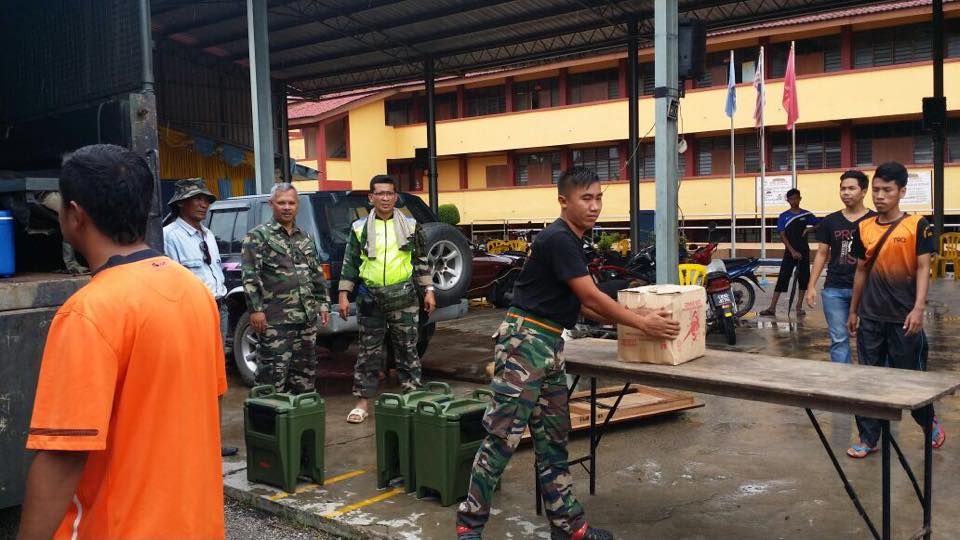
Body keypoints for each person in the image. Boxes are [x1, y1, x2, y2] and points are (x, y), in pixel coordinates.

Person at [456, 167, 680, 540]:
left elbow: (585, 305)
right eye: (585, 198)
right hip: (524, 344)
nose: (594, 206)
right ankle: (469, 525)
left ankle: (568, 526)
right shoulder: (558, 238)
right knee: (502, 437)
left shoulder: (573, 241)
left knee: (553, 438)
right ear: (564, 201)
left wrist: (637, 318)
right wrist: (643, 325)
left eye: (598, 198)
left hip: (549, 345)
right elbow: (592, 297)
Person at [18, 144, 226, 539]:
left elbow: (64, 456)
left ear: (75, 216)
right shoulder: (193, 290)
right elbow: (208, 406)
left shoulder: (89, 313)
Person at [846, 161, 945, 458]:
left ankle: (929, 423)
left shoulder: (917, 225)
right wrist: (854, 310)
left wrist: (918, 309)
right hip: (871, 316)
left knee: (911, 378)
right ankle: (868, 438)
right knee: (868, 380)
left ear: (901, 191)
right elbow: (861, 272)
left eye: (887, 190)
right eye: (876, 190)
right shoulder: (863, 228)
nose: (879, 196)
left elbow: (924, 268)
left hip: (905, 318)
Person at [338, 175, 435, 424]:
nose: (385, 198)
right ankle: (362, 403)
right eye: (379, 193)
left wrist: (429, 290)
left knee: (407, 349)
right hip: (371, 297)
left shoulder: (411, 226)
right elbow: (351, 261)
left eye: (389, 193)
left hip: (404, 297)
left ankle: (412, 397)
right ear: (371, 198)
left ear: (396, 197)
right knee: (368, 353)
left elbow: (421, 260)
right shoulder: (359, 228)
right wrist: (343, 294)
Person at [163, 178, 238, 457]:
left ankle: (212, 441)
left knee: (215, 377)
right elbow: (170, 282)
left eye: (206, 199)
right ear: (181, 203)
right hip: (188, 314)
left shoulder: (207, 234)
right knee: (190, 377)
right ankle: (189, 440)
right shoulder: (170, 236)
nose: (203, 204)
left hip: (217, 309)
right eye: (197, 198)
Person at [241, 183, 330, 395]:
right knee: (271, 378)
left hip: (305, 320)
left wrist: (323, 303)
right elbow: (250, 276)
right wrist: (255, 310)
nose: (287, 207)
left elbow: (316, 274)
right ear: (271, 205)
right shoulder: (258, 237)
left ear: (297, 205)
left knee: (304, 378)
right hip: (275, 320)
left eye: (291, 203)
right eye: (281, 203)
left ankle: (298, 423)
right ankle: (268, 424)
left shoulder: (305, 238)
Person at [804, 171, 875, 363]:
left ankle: (871, 383)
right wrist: (811, 286)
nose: (846, 193)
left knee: (869, 340)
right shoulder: (830, 221)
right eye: (843, 188)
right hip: (834, 289)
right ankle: (842, 383)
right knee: (839, 339)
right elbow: (821, 253)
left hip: (867, 290)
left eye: (851, 188)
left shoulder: (875, 221)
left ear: (863, 191)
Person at [760, 188, 818, 317]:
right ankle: (772, 308)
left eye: (796, 198)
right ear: (788, 200)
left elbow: (819, 224)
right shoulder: (783, 216)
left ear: (800, 198)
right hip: (789, 252)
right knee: (782, 278)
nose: (794, 201)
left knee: (804, 280)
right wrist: (792, 251)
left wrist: (809, 230)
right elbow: (782, 235)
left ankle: (798, 307)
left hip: (804, 251)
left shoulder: (806, 214)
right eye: (791, 199)